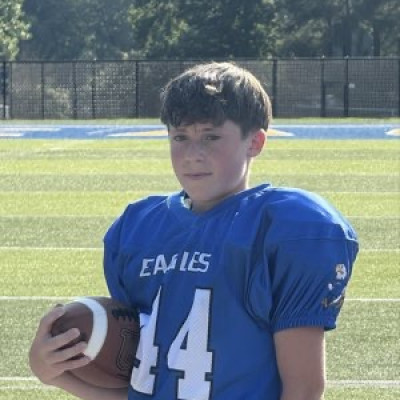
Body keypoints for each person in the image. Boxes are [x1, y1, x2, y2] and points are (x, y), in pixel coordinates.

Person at [29, 62, 359, 400]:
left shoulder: (284, 229)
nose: (192, 155)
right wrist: (54, 375)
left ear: (255, 142)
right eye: (180, 137)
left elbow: (304, 388)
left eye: (210, 137)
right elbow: (143, 386)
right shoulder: (137, 229)